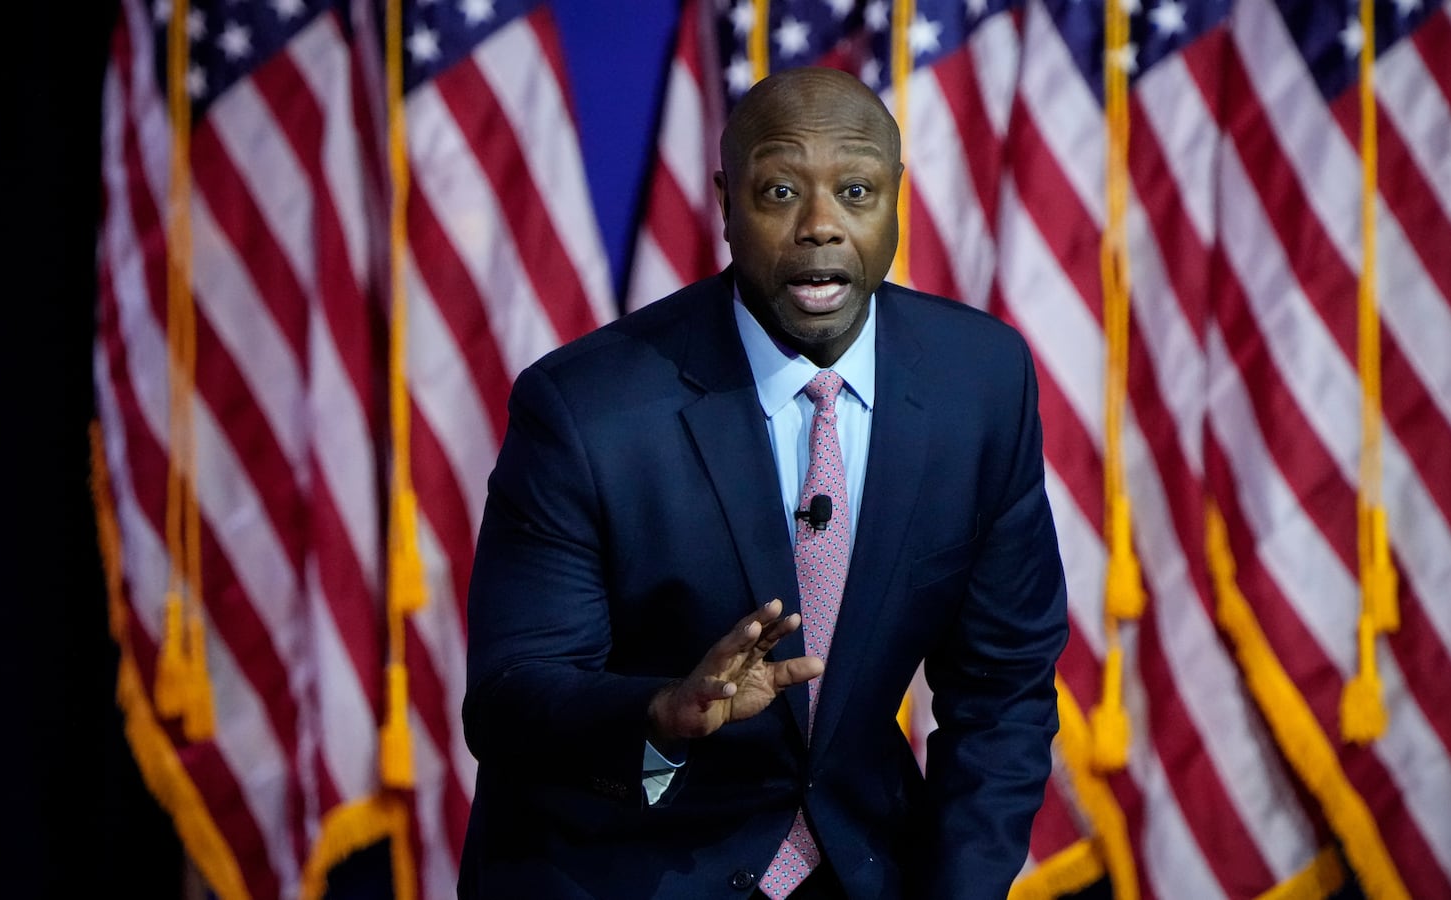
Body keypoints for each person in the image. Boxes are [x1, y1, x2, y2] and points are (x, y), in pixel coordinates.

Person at [458, 66, 1069, 900]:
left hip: (860, 866)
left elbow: (1004, 686)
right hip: (622, 868)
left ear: (897, 197)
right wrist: (664, 716)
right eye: (780, 191)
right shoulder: (586, 409)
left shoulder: (981, 381)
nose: (821, 226)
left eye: (855, 190)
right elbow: (511, 700)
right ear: (724, 202)